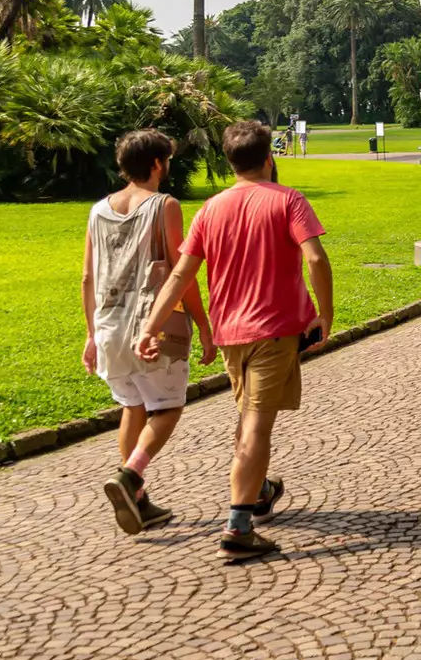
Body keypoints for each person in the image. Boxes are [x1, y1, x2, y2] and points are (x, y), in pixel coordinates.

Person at [139, 120, 334, 560]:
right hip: (274, 331)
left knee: (248, 416)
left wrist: (150, 326)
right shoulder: (288, 200)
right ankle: (238, 525)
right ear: (270, 157)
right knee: (257, 425)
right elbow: (316, 258)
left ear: (230, 161)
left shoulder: (211, 208)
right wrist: (326, 314)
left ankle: (260, 489)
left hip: (230, 334)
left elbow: (180, 274)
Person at [83, 129, 216, 536]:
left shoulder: (97, 210)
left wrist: (91, 334)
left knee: (132, 406)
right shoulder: (165, 205)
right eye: (168, 160)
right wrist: (205, 326)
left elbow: (88, 277)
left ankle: (137, 503)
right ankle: (130, 477)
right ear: (157, 164)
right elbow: (182, 274)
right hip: (152, 328)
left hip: (108, 327)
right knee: (168, 408)